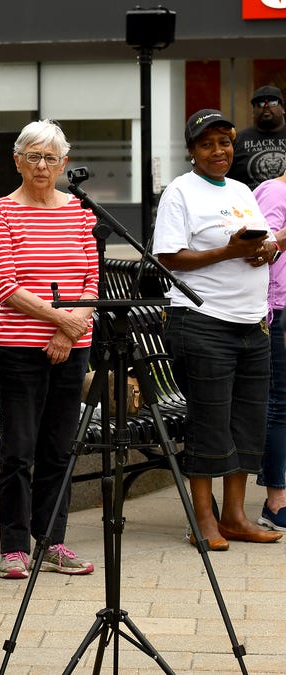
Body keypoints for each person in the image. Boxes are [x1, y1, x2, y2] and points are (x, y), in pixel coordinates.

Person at [153, 108, 283, 549]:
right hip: (203, 321)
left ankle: (235, 516)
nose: (218, 151)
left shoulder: (243, 190)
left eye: (224, 142)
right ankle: (202, 520)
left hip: (252, 322)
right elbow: (168, 258)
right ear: (192, 151)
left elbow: (253, 245)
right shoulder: (180, 192)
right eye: (207, 144)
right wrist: (228, 252)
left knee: (248, 420)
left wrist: (264, 252)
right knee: (209, 421)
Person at [0, 120, 99, 581]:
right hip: (19, 349)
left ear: (64, 164)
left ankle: (52, 542)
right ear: (17, 161)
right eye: (33, 156)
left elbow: (93, 279)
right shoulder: (1, 212)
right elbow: (5, 286)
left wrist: (70, 331)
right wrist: (60, 320)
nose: (42, 166)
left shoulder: (80, 212)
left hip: (74, 345)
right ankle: (14, 546)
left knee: (59, 448)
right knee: (19, 451)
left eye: (51, 158)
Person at [255, 168, 286, 531]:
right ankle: (276, 501)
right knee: (280, 402)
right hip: (279, 309)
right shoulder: (272, 192)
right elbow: (261, 251)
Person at [229, 85, 286, 190]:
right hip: (248, 204)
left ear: (283, 108)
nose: (266, 106)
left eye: (273, 102)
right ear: (253, 111)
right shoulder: (237, 140)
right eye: (260, 103)